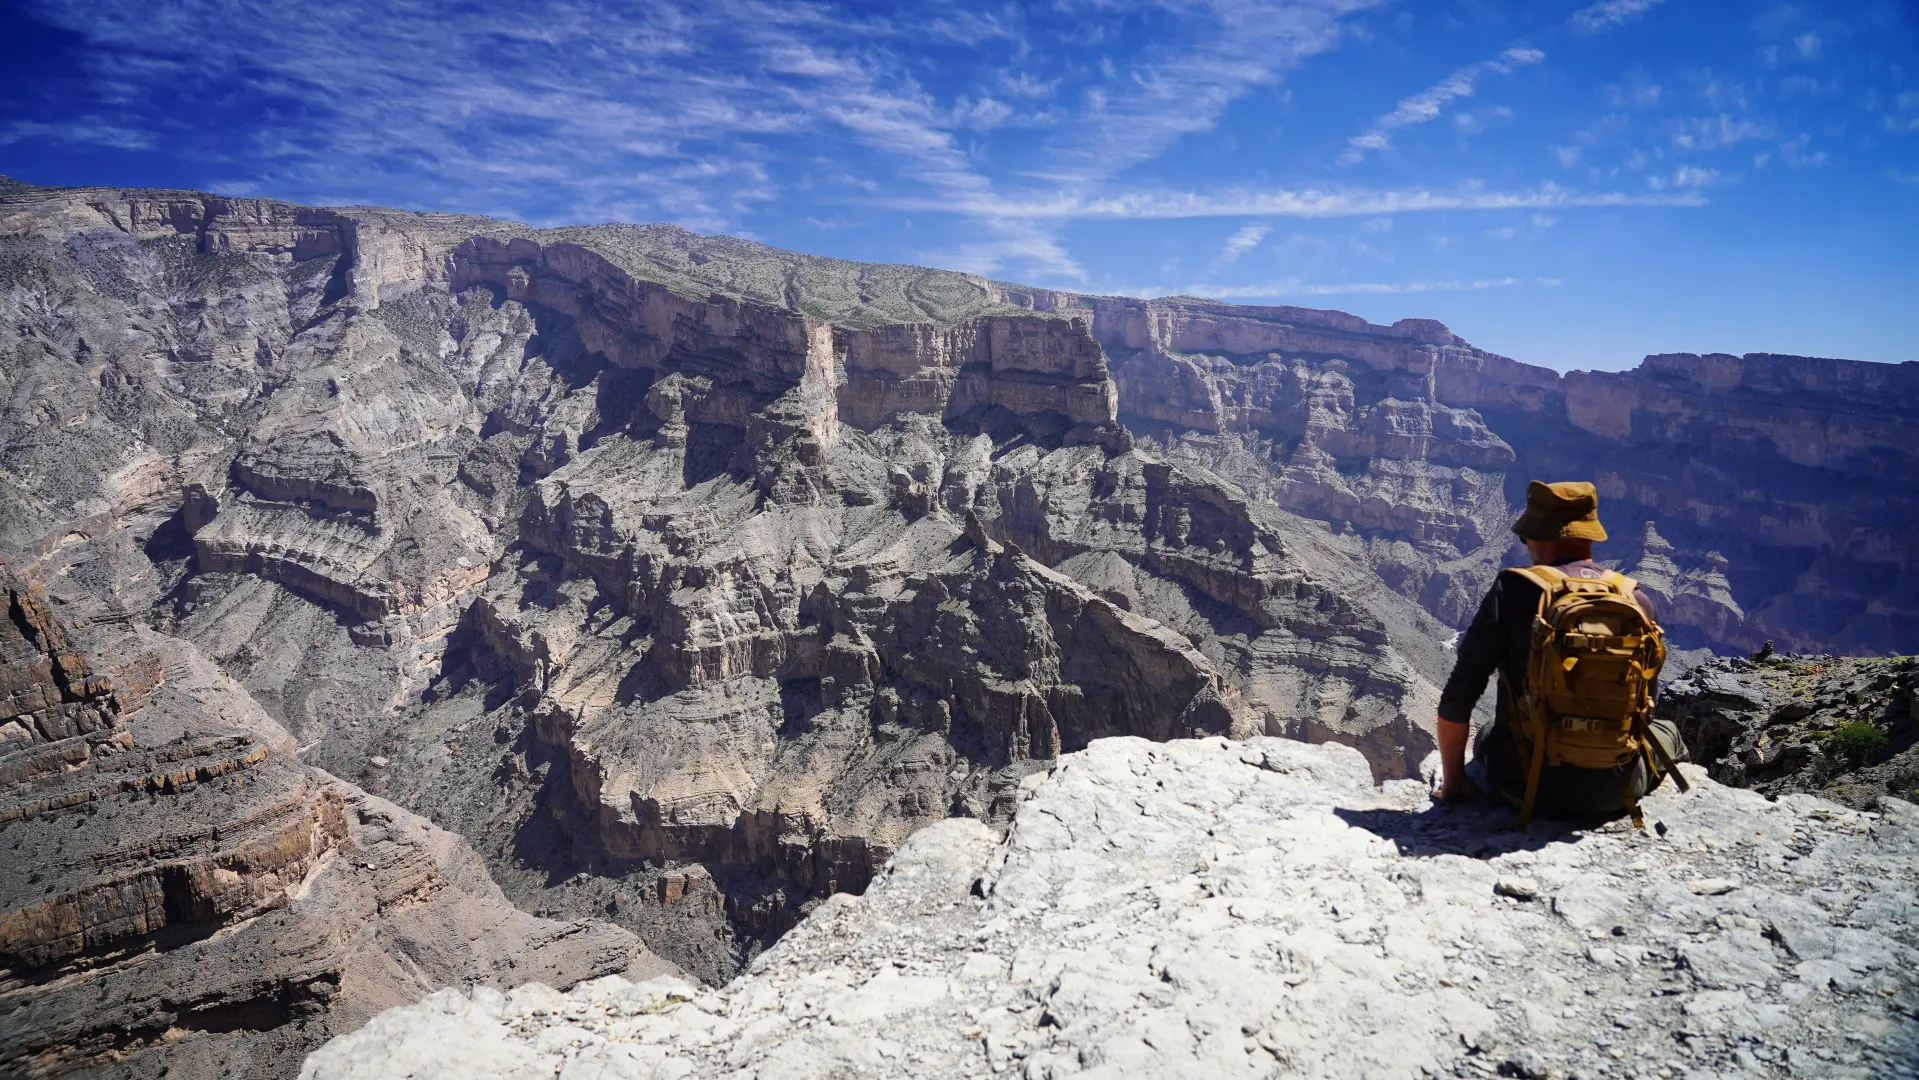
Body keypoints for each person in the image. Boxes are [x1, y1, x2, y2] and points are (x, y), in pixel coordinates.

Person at [1432, 480, 1685, 817]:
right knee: (1670, 732)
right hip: (1613, 792)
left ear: (1537, 536)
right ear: (1590, 537)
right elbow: (1644, 708)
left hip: (1524, 786)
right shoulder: (1637, 601)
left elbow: (1458, 696)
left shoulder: (1513, 590)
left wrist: (1453, 783)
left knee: (1488, 733)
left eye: (1526, 537)